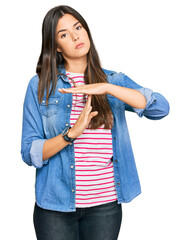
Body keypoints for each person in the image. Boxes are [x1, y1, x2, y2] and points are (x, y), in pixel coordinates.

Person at [21, 5, 170, 240]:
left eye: (78, 27)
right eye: (64, 34)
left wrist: (107, 87)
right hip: (55, 207)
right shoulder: (40, 85)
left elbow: (160, 108)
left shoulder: (113, 81)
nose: (75, 36)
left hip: (105, 206)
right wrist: (69, 134)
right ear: (57, 47)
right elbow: (30, 152)